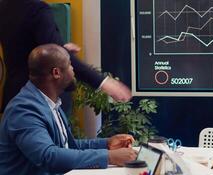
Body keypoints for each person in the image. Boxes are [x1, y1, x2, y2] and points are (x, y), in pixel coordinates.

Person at [0, 44, 137, 175]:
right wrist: (109, 157)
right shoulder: (24, 110)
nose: (74, 71)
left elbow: (66, 146)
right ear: (56, 73)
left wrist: (106, 144)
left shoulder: (50, 103)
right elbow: (48, 156)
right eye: (70, 65)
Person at [0, 0, 131, 112]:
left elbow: (24, 47)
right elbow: (53, 51)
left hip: (14, 97)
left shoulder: (5, 6)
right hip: (39, 102)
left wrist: (62, 49)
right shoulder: (36, 9)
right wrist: (102, 82)